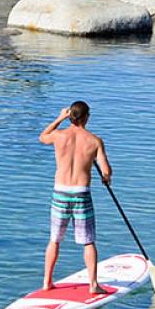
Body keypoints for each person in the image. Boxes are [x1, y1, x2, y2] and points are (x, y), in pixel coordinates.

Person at [38, 101, 112, 294]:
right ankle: (93, 285)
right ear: (87, 117)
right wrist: (106, 178)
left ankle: (47, 282)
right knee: (88, 241)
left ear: (70, 116)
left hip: (60, 192)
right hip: (81, 194)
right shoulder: (94, 141)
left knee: (54, 240)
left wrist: (60, 118)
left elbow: (42, 137)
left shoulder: (59, 136)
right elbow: (106, 170)